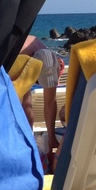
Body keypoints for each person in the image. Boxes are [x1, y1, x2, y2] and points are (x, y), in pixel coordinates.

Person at [20, 35, 63, 173]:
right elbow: (49, 102)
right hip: (39, 56)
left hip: (6, 53)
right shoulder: (46, 57)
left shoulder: (32, 47)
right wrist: (51, 138)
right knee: (27, 105)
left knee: (24, 102)